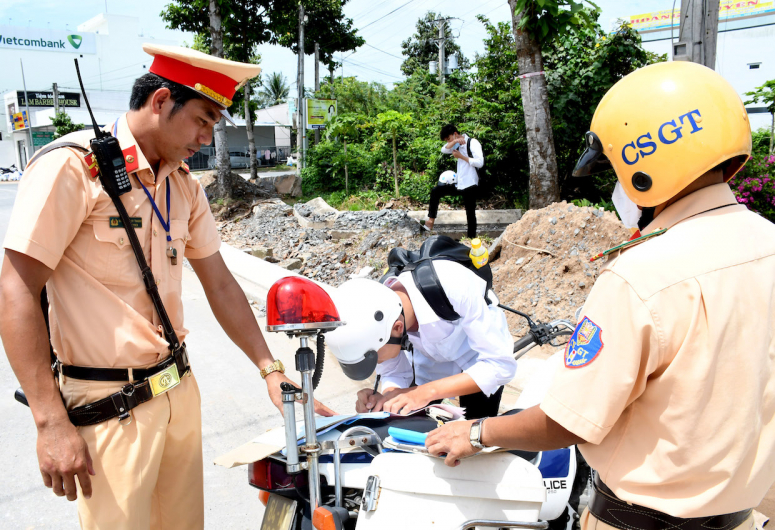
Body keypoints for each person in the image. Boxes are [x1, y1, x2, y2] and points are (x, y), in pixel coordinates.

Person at [0, 44, 331, 530]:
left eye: (214, 124)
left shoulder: (184, 185)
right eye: (202, 119)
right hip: (109, 404)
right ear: (159, 101)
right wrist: (49, 422)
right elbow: (15, 293)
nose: (206, 135)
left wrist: (269, 369)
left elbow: (219, 282)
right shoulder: (71, 168)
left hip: (176, 391)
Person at [425, 61, 775, 530]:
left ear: (645, 166)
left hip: (641, 520)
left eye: (614, 168)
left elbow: (569, 419)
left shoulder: (644, 274)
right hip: (744, 518)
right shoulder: (766, 242)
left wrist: (477, 431)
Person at [325, 264, 516, 420]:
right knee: (424, 428)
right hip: (431, 366)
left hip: (478, 360)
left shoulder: (453, 285)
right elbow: (393, 370)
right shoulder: (381, 317)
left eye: (375, 359)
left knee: (477, 431)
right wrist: (388, 398)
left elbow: (500, 366)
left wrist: (425, 392)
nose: (377, 365)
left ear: (398, 328)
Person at [425, 124, 484, 239]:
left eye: (449, 139)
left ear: (455, 134)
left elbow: (480, 162)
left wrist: (461, 156)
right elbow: (444, 149)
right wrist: (454, 142)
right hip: (460, 183)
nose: (448, 142)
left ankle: (471, 240)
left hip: (471, 183)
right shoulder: (456, 144)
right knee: (436, 191)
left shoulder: (473, 143)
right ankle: (430, 221)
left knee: (470, 213)